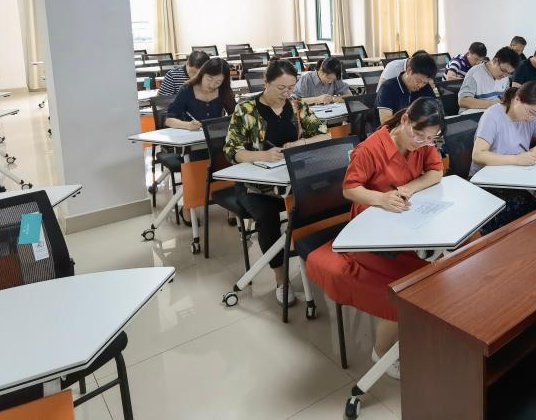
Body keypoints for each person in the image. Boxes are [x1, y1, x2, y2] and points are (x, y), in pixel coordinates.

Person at [329, 97, 445, 379]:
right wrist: (381, 198)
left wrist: (409, 187)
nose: (423, 143)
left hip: (404, 224)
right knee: (410, 282)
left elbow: (436, 172)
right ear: (404, 120)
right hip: (370, 233)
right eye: (419, 135)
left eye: (431, 139)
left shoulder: (423, 141)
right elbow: (350, 189)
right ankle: (381, 352)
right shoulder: (371, 148)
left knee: (444, 265)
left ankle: (418, 328)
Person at [224, 59, 328, 306]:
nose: (286, 93)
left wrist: (298, 144)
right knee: (267, 217)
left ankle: (319, 263)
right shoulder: (246, 109)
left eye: (291, 87)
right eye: (281, 88)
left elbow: (325, 135)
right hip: (254, 185)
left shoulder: (296, 105)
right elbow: (231, 150)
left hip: (291, 180)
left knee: (324, 202)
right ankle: (281, 280)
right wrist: (262, 155)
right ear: (266, 83)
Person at [470, 82, 536, 234]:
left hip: (516, 176)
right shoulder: (492, 116)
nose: (532, 117)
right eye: (530, 112)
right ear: (517, 99)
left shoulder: (532, 116)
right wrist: (516, 159)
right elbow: (478, 154)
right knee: (521, 211)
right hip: (488, 179)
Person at [165, 57, 236, 129]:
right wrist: (188, 125)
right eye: (209, 78)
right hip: (192, 134)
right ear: (202, 73)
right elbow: (169, 120)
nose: (212, 85)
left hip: (216, 133)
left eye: (218, 82)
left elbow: (236, 114)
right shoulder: (187, 90)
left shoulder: (223, 90)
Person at [375, 53, 438, 123]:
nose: (420, 85)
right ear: (409, 70)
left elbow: (436, 112)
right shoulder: (387, 88)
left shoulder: (425, 87)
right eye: (418, 81)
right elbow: (385, 123)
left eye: (424, 83)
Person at [457, 46, 519, 113]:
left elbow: (503, 99)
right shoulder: (475, 73)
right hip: (472, 116)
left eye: (509, 73)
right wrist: (492, 104)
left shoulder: (505, 77)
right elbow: (463, 101)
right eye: (503, 70)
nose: (505, 75)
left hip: (493, 114)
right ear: (495, 61)